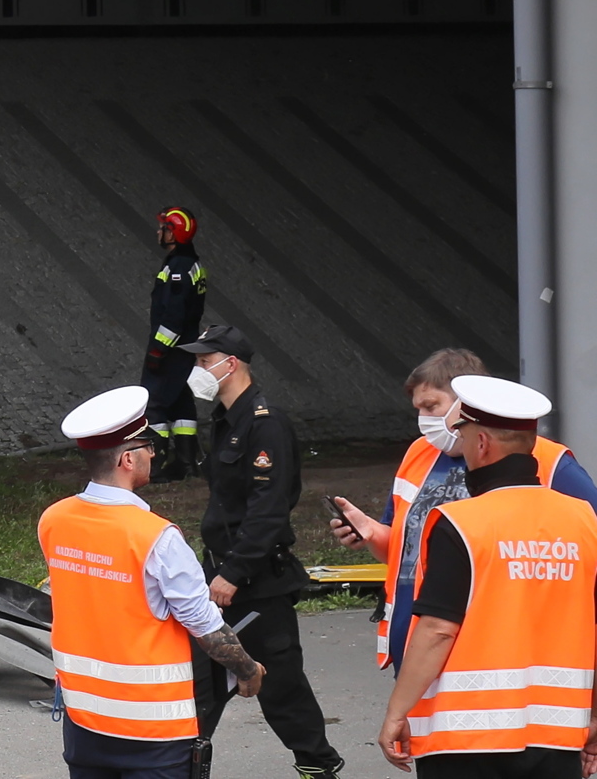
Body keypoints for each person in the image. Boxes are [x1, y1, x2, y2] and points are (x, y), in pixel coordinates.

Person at [379, 374, 597, 776]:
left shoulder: (461, 522)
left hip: (465, 738)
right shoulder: (583, 521)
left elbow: (438, 630)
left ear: (481, 443)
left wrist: (397, 709)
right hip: (558, 734)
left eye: (463, 437)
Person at [40, 385, 262, 779]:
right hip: (154, 731)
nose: (155, 453)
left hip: (84, 718)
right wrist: (247, 670)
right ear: (127, 459)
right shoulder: (157, 537)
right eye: (148, 446)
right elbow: (205, 625)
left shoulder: (55, 519)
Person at [329, 346, 597, 672]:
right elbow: (406, 552)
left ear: (467, 403)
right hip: (417, 641)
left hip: (495, 645)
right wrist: (372, 534)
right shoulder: (419, 454)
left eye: (431, 406)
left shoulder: (549, 461)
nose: (424, 420)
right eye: (418, 409)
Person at [181, 323, 342, 779]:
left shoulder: (264, 424)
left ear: (229, 364)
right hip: (220, 571)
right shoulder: (226, 420)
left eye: (202, 361)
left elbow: (268, 511)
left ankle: (318, 766)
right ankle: (183, 765)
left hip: (255, 580)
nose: (196, 370)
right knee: (205, 679)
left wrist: (233, 573)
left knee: (279, 683)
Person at [141, 208, 207, 481]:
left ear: (174, 233)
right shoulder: (189, 262)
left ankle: (154, 466)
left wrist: (159, 349)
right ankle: (186, 463)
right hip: (185, 349)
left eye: (164, 228)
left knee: (154, 403)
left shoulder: (179, 267)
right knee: (181, 404)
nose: (158, 232)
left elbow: (175, 315)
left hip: (171, 350)